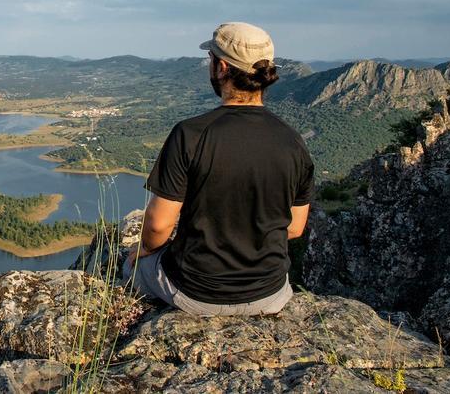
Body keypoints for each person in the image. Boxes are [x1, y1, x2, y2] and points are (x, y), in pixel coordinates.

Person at [122, 22, 314, 316]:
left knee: (128, 266)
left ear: (222, 67)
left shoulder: (190, 134)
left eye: (210, 60)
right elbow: (295, 227)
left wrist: (145, 250)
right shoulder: (293, 141)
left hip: (195, 292)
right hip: (270, 295)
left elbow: (158, 226)